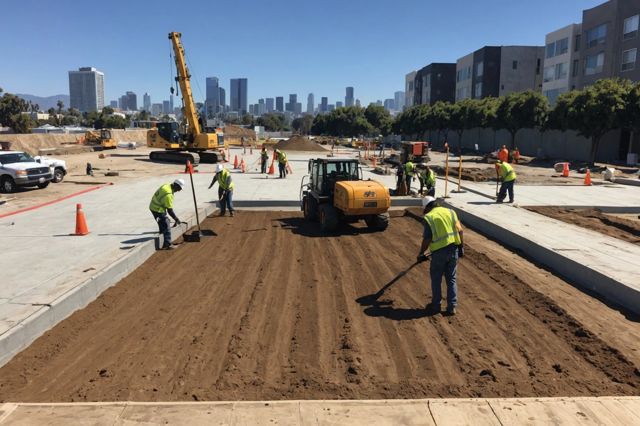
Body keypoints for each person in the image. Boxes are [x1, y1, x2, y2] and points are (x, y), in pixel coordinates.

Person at [417, 196, 464, 315]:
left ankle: (436, 305)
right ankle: (452, 306)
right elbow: (460, 231)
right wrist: (461, 247)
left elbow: (427, 238)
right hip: (454, 250)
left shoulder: (430, 217)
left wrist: (421, 253)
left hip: (439, 253)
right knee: (451, 279)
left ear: (428, 207)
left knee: (436, 279)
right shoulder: (451, 212)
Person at [149, 179, 185, 250]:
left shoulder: (166, 185)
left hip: (153, 206)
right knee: (166, 225)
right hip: (157, 209)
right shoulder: (168, 195)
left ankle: (162, 234)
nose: (179, 190)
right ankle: (167, 244)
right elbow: (170, 210)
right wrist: (176, 219)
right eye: (179, 188)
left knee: (161, 222)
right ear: (176, 185)